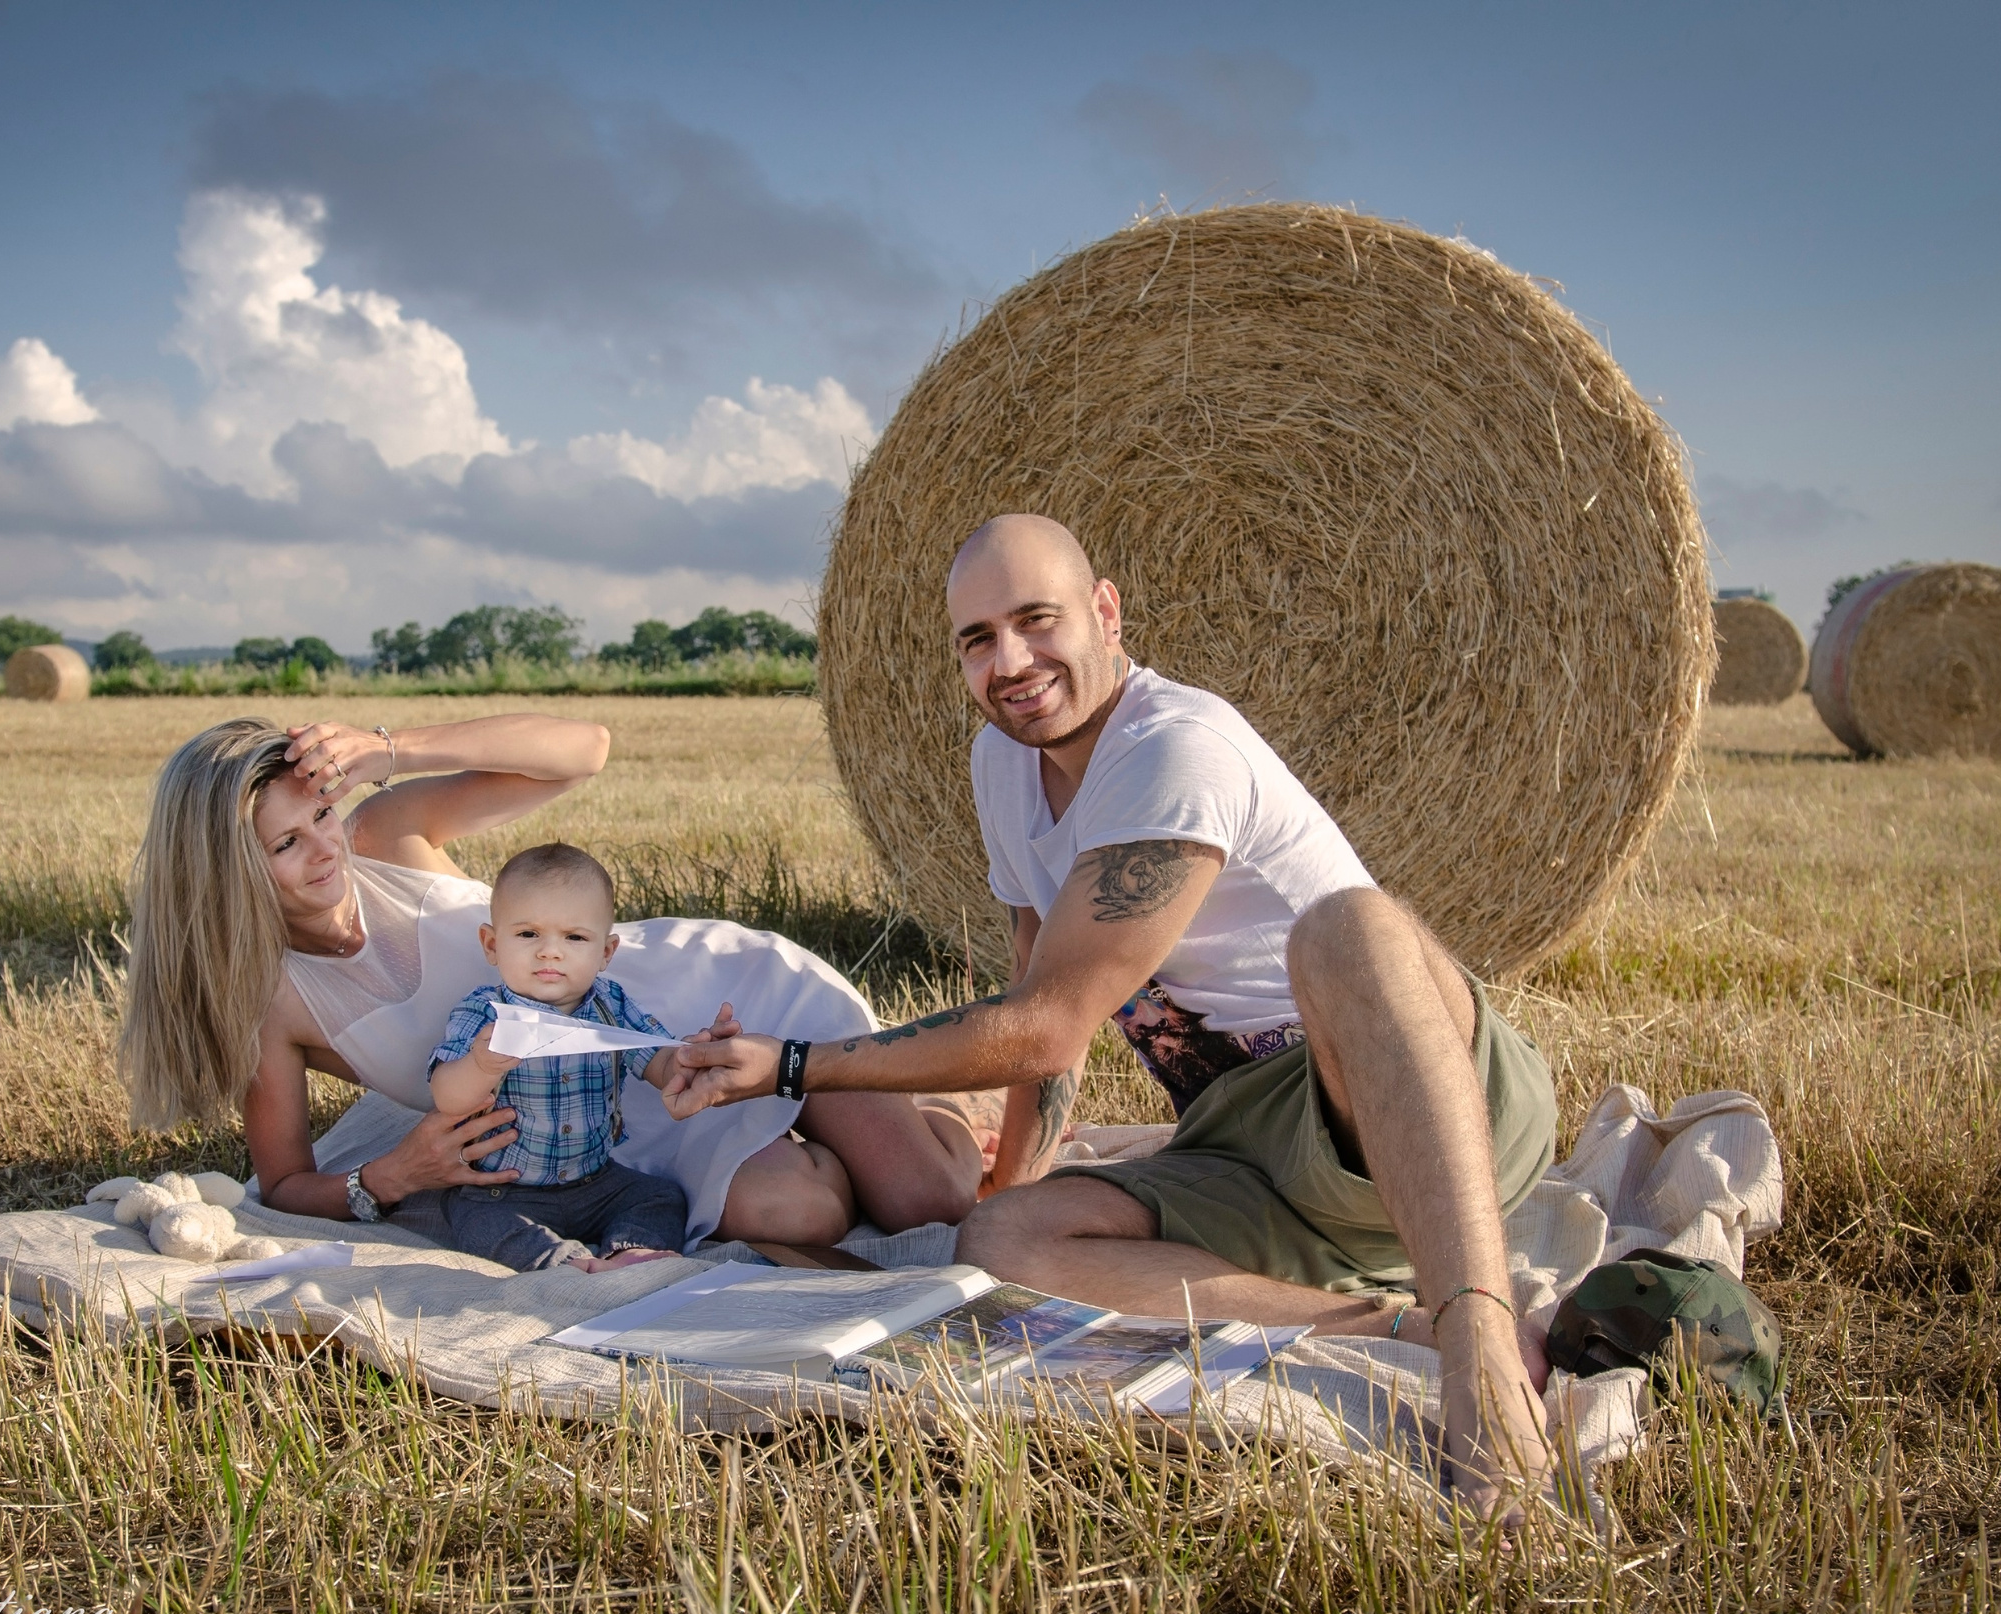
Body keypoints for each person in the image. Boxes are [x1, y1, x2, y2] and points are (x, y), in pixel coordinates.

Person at [662, 515, 1559, 1513]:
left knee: (1349, 927)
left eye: (1035, 621)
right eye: (977, 639)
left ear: (1106, 611)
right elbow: (1035, 996)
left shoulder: (1176, 746)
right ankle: (1388, 1325)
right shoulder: (1001, 765)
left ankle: (1476, 1341)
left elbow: (1047, 1021)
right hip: (1252, 1155)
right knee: (1006, 1245)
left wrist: (792, 1065)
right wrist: (1007, 1187)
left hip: (1419, 1102)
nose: (1010, 662)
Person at [116, 712, 986, 1250]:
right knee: (795, 1211)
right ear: (224, 870)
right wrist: (390, 1175)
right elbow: (285, 1185)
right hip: (604, 1135)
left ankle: (937, 1113)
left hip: (697, 1005)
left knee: (930, 1200)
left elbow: (583, 751)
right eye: (284, 844)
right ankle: (829, 1129)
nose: (325, 849)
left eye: (319, 814)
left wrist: (391, 751)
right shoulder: (274, 1003)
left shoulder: (386, 834)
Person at [427, 843, 691, 1273]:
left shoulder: (611, 1004)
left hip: (597, 1181)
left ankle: (629, 1251)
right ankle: (566, 1265)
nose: (550, 951)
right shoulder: (485, 1014)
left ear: (605, 953)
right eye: (528, 934)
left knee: (661, 1197)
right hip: (506, 1191)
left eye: (574, 937)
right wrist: (480, 1066)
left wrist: (689, 1059)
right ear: (492, 944)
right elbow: (447, 1097)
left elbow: (657, 1060)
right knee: (476, 1223)